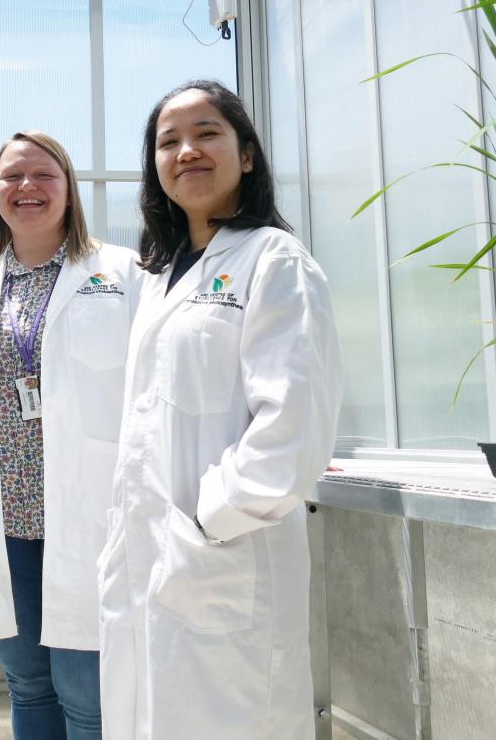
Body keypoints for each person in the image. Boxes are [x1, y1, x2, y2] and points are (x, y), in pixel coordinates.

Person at [98, 80, 342, 740]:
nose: (187, 151)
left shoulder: (275, 262)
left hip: (223, 556)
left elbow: (293, 430)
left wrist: (207, 522)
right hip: (157, 560)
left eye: (207, 132)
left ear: (248, 155)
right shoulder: (161, 275)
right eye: (168, 140)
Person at [0, 131, 141, 740]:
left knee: (88, 694)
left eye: (43, 175)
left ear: (69, 189)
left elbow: (152, 393)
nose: (26, 188)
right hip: (1, 518)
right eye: (11, 176)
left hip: (91, 515)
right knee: (27, 683)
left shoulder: (121, 273)